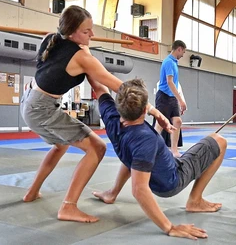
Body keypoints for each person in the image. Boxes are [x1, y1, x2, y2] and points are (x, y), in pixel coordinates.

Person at [20, 5, 172, 223]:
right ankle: (68, 207)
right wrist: (152, 109)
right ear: (71, 33)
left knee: (60, 145)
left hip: (31, 101)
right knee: (97, 148)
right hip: (41, 109)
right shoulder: (81, 58)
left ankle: (32, 192)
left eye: (91, 29)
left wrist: (85, 47)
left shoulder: (51, 39)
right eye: (86, 31)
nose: (92, 34)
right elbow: (118, 85)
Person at [88, 77, 227, 239]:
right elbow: (139, 189)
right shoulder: (146, 138)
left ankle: (112, 193)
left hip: (146, 168)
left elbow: (99, 87)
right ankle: (195, 200)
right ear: (145, 110)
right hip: (172, 181)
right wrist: (169, 227)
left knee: (133, 154)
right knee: (220, 141)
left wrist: (82, 55)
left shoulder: (112, 120)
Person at [154, 40, 187, 157]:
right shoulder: (168, 62)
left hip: (172, 97)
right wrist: (181, 100)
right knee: (161, 123)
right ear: (179, 49)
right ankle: (151, 148)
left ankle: (174, 150)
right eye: (183, 51)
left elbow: (175, 84)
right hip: (163, 96)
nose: (183, 54)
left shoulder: (174, 63)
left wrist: (178, 99)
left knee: (177, 121)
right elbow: (170, 82)